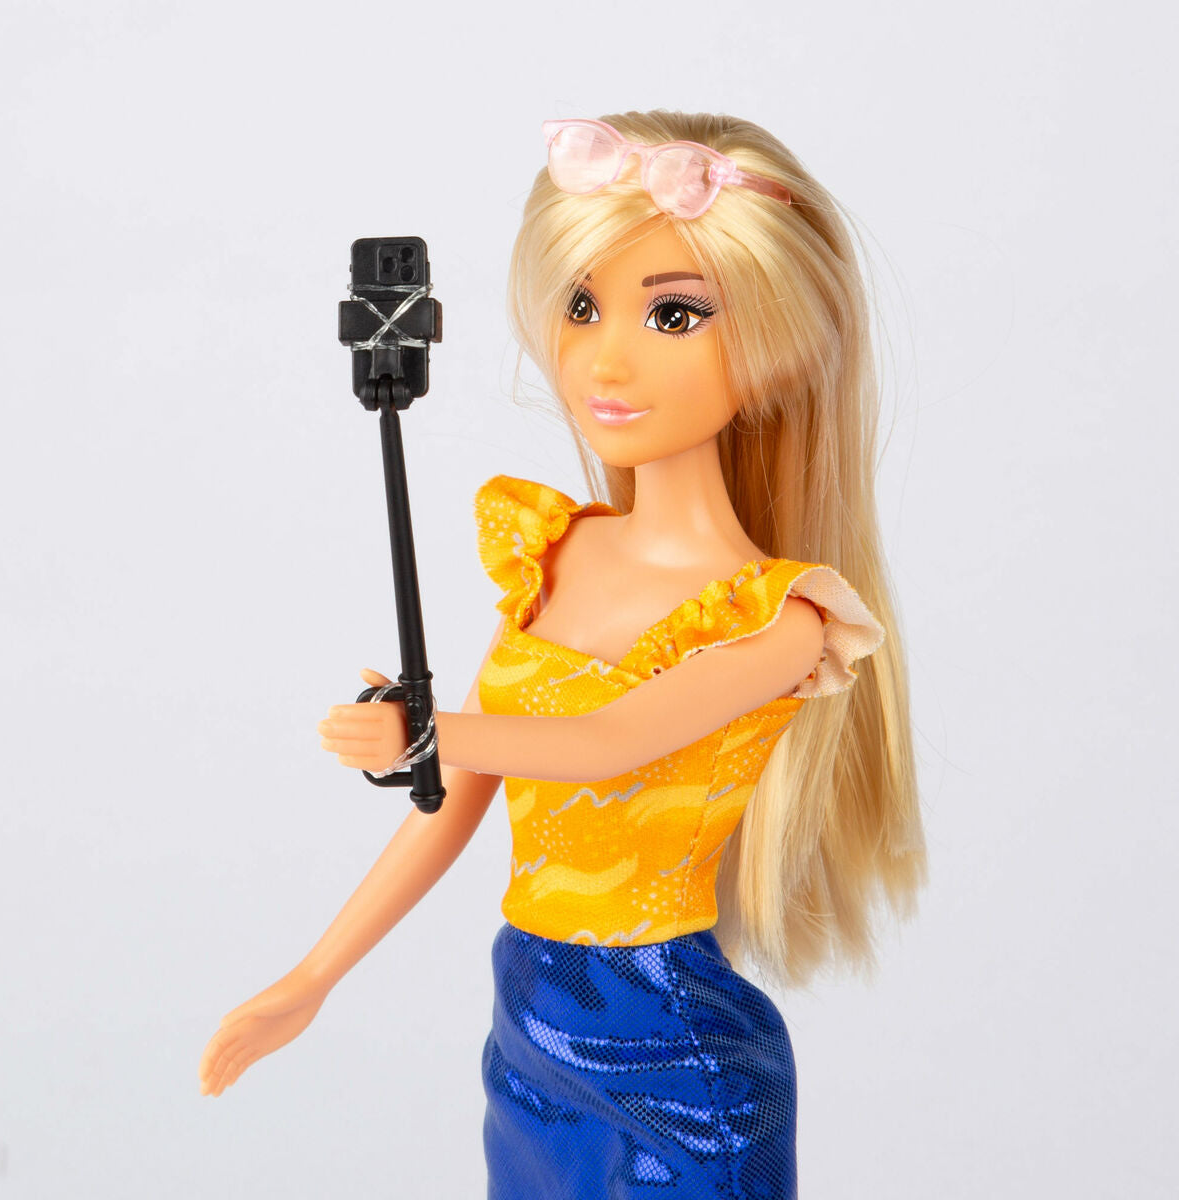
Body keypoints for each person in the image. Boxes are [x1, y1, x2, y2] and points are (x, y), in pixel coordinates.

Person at [199, 110, 926, 1199]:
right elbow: (456, 796)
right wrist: (311, 977)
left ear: (778, 346)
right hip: (529, 1022)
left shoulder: (780, 620)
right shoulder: (557, 554)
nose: (606, 357)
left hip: (674, 1052)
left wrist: (426, 729)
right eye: (582, 305)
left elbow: (604, 743)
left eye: (674, 314)